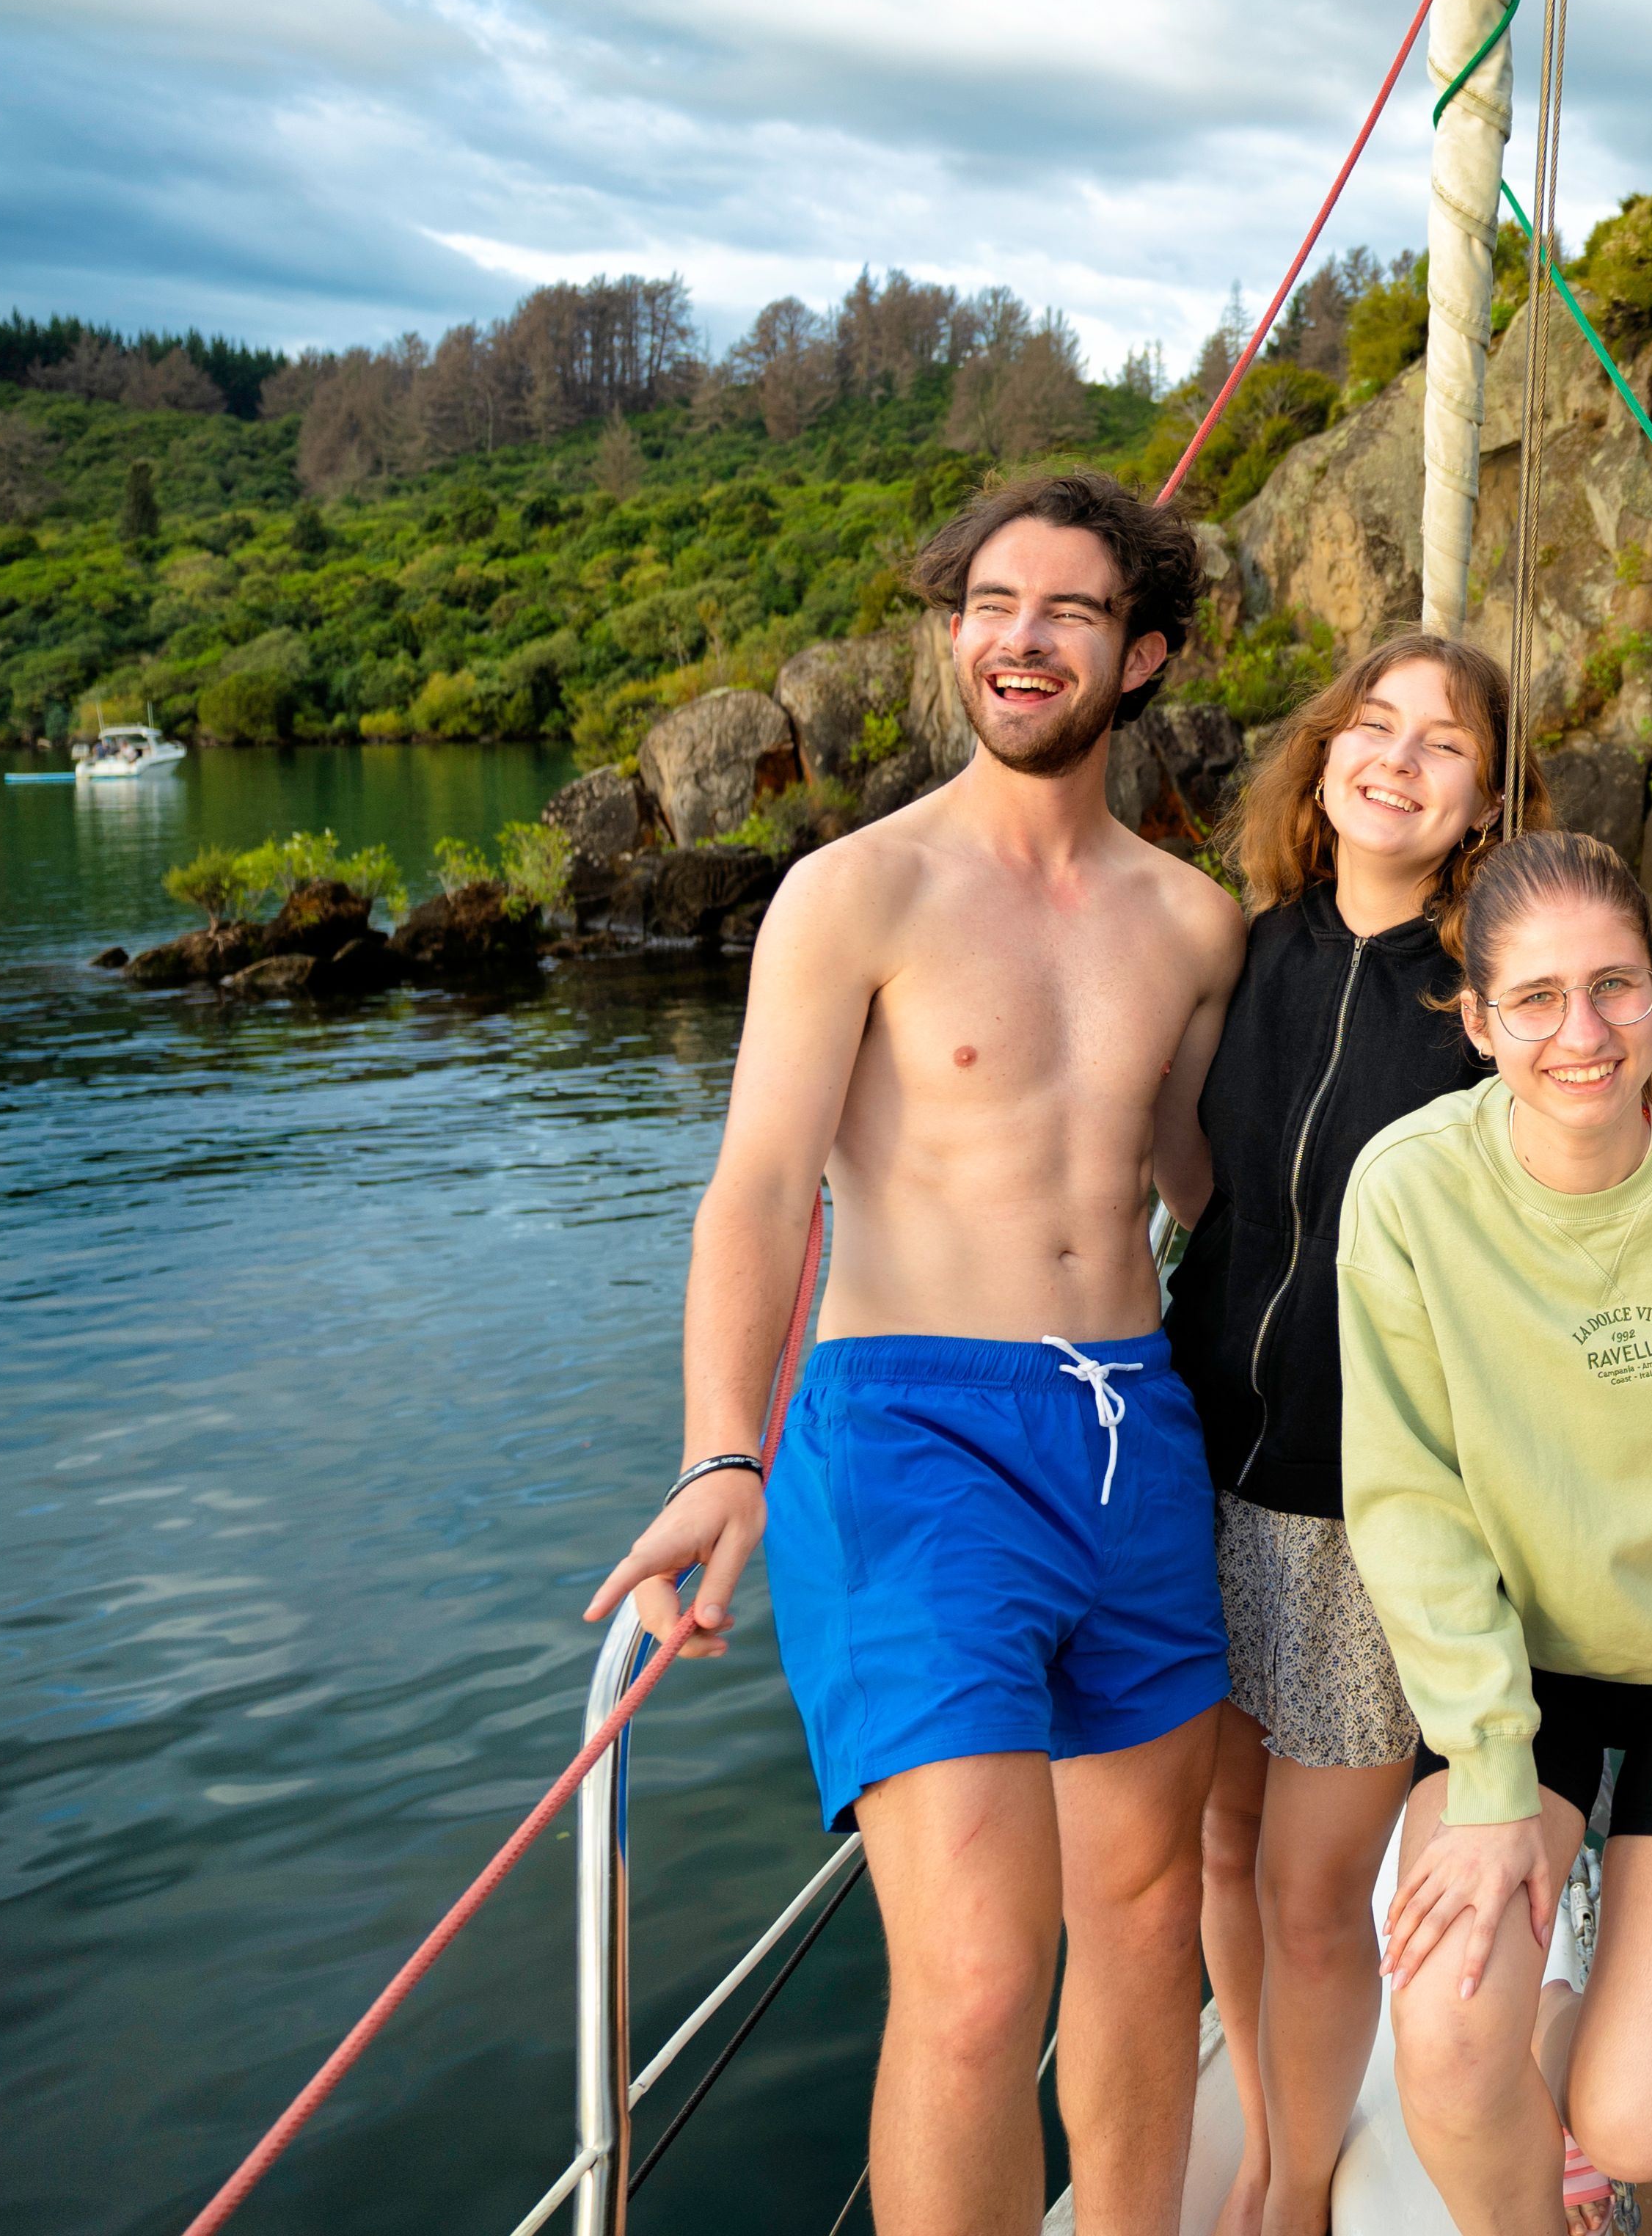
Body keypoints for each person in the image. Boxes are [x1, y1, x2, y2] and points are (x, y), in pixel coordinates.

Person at [584, 471, 1247, 2236]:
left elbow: (1209, 1182)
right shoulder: (850, 894)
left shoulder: (1193, 923)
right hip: (908, 1442)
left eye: (1071, 611)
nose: (1019, 639)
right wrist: (722, 1450)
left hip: (1135, 1436)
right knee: (971, 1979)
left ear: (1144, 652)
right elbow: (754, 1192)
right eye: (991, 604)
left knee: (1143, 1919)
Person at [1334, 831, 1652, 2236]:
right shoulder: (1411, 1191)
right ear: (1478, 1023)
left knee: (1632, 2120)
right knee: (1445, 2025)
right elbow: (1410, 1499)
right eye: (1536, 999)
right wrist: (1488, 1779)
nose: (1584, 1034)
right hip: (1524, 1662)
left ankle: (1578, 2019)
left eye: (1617, 988)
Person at [1163, 632, 1511, 2236]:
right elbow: (1204, 1182)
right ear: (1322, 756)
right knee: (1224, 1851)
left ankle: (1298, 2182)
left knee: (1314, 1895)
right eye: (1373, 722)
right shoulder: (1245, 951)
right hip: (1198, 1465)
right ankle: (1269, 2137)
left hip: (1377, 1512)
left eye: (1444, 741)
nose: (1398, 754)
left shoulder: (1486, 998)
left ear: (1485, 799)